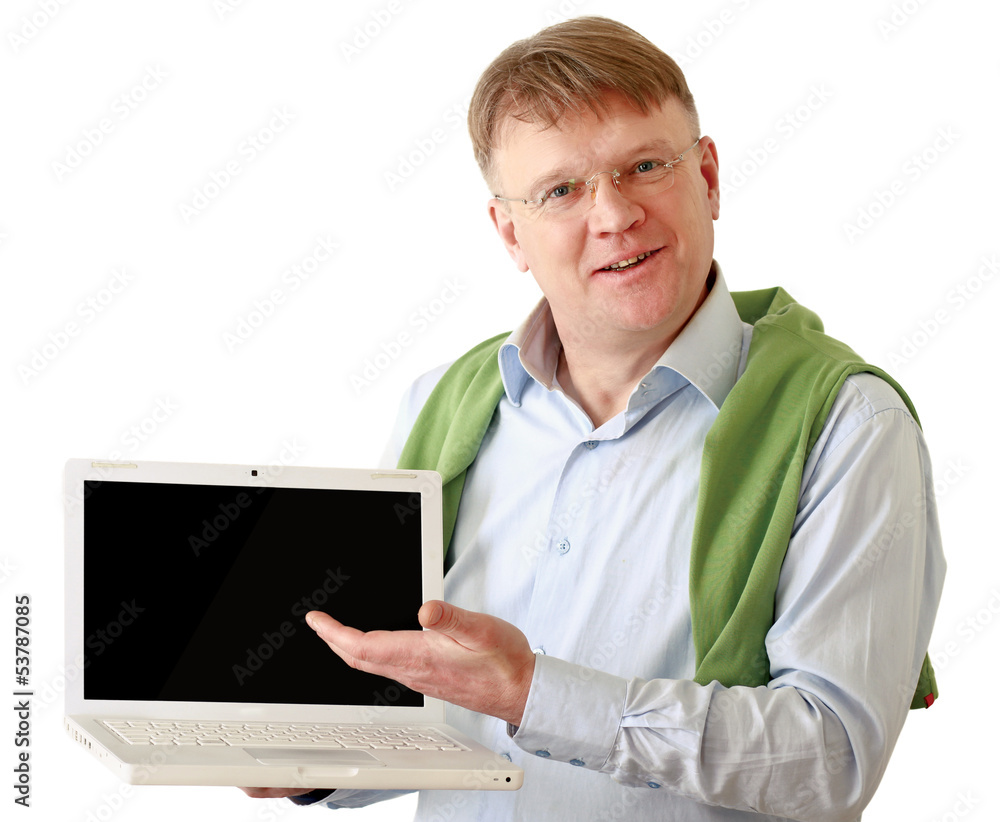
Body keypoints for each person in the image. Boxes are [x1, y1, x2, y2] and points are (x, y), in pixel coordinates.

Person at [242, 16, 945, 821]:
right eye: (561, 190)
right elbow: (446, 717)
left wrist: (537, 694)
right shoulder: (445, 404)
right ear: (511, 231)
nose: (614, 215)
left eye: (645, 166)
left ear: (708, 178)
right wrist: (317, 762)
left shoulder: (847, 423)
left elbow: (830, 758)